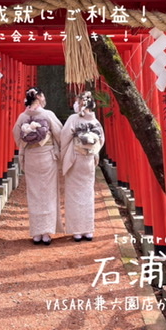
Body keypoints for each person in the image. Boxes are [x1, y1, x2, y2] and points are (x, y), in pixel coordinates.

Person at [12, 87, 63, 245]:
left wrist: (27, 141)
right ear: (40, 97)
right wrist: (56, 148)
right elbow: (60, 134)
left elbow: (16, 133)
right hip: (47, 156)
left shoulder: (23, 116)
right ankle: (47, 232)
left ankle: (36, 233)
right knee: (48, 192)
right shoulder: (47, 115)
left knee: (34, 193)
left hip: (31, 157)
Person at [61, 91, 105, 241]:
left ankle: (76, 231)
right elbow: (101, 140)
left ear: (80, 103)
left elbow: (64, 137)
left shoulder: (73, 119)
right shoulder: (95, 121)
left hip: (75, 159)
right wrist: (92, 150)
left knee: (74, 194)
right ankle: (88, 230)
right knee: (87, 193)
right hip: (88, 160)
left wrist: (63, 155)